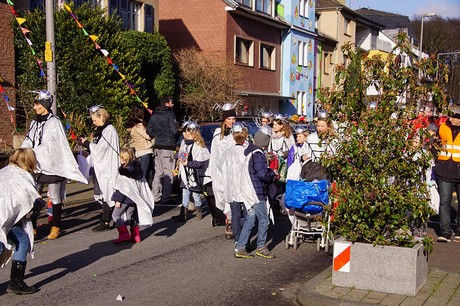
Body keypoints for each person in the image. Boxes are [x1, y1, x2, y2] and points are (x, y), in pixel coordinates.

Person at [22, 90, 88, 240]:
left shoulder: (54, 122)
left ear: (45, 105)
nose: (34, 107)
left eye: (37, 104)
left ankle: (56, 226)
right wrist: (23, 151)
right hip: (35, 164)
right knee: (32, 195)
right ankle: (31, 226)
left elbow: (51, 146)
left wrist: (33, 152)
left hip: (51, 165)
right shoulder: (34, 123)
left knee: (54, 196)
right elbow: (29, 139)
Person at [220, 124, 276, 259]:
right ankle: (261, 246)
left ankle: (240, 246)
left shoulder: (248, 150)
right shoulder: (257, 154)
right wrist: (272, 174)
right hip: (254, 192)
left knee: (250, 218)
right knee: (264, 220)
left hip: (245, 190)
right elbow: (262, 174)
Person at [0, 148, 44, 294]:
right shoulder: (23, 178)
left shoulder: (5, 171)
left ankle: (15, 283)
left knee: (20, 240)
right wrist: (38, 204)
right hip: (4, 219)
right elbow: (26, 207)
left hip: (5, 219)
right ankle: (15, 283)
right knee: (21, 241)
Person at [79, 106, 120, 232]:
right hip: (101, 166)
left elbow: (101, 149)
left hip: (108, 166)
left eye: (94, 119)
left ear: (102, 116)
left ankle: (107, 220)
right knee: (105, 193)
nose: (93, 122)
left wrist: (86, 143)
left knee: (109, 192)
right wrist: (87, 151)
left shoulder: (109, 130)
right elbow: (98, 149)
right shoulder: (100, 131)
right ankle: (110, 218)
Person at [111, 148, 155, 244]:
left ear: (124, 159)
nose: (120, 159)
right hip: (134, 198)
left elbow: (124, 189)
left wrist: (119, 200)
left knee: (115, 215)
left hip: (125, 198)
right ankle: (136, 236)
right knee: (132, 217)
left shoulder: (125, 172)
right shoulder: (137, 170)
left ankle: (124, 234)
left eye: (121, 158)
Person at [207, 103, 237, 237]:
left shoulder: (238, 132)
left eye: (233, 119)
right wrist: (212, 172)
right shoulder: (217, 134)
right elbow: (214, 154)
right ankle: (228, 216)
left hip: (233, 171)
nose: (232, 121)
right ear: (224, 119)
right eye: (229, 119)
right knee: (222, 196)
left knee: (232, 196)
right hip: (219, 172)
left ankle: (230, 222)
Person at [172, 121, 210, 222]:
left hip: (194, 175)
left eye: (186, 133)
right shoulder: (185, 143)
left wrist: (187, 164)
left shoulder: (198, 146)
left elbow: (199, 163)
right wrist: (178, 164)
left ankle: (199, 211)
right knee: (185, 192)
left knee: (195, 194)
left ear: (193, 134)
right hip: (185, 173)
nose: (184, 135)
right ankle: (183, 213)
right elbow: (182, 155)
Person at [146, 97, 179, 204]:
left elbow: (149, 130)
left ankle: (155, 196)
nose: (172, 104)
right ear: (166, 104)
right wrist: (174, 136)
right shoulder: (170, 114)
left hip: (158, 146)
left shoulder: (154, 116)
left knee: (158, 172)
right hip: (168, 146)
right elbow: (174, 131)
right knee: (168, 172)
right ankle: (166, 197)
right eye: (171, 102)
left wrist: (157, 135)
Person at [435, 104, 460, 243]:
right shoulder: (442, 127)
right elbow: (434, 143)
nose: (449, 118)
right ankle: (445, 231)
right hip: (444, 169)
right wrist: (437, 160)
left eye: (453, 116)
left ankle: (459, 230)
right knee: (444, 201)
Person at [125, 108, 154, 180]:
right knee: (145, 174)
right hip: (145, 150)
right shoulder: (139, 126)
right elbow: (147, 136)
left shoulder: (134, 126)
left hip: (139, 151)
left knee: (144, 172)